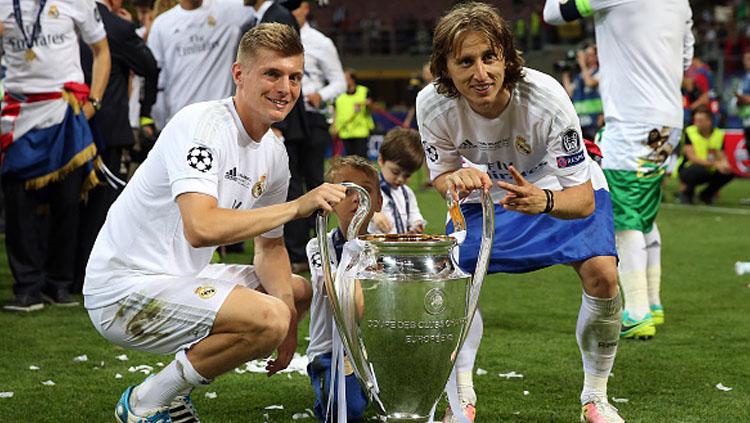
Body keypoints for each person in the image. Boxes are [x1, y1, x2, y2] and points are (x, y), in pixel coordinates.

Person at [83, 23, 347, 422]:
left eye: (294, 77)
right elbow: (201, 227)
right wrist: (296, 207)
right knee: (270, 315)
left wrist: (289, 323)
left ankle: (169, 393)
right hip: (121, 290)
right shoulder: (202, 127)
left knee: (293, 293)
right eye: (272, 74)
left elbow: (270, 246)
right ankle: (147, 402)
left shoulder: (274, 153)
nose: (286, 88)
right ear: (239, 74)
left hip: (176, 280)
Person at [416, 3, 623, 422]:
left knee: (603, 273)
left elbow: (582, 200)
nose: (481, 74)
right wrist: (453, 183)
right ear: (445, 69)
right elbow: (441, 178)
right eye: (465, 62)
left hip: (554, 189)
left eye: (490, 58)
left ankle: (595, 398)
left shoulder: (546, 99)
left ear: (507, 58)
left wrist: (542, 201)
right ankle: (461, 401)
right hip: (485, 198)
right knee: (455, 282)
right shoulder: (431, 105)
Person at [544, 0, 694, 339]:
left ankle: (637, 311)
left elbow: (553, 13)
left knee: (622, 214)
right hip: (668, 121)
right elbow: (685, 59)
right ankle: (653, 304)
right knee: (644, 215)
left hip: (631, 120)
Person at [0, 0, 111, 312]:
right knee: (18, 201)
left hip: (65, 109)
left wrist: (95, 101)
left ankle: (59, 283)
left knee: (67, 201)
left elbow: (102, 51)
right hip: (19, 111)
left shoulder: (77, 1)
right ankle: (27, 288)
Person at [74, 0, 160, 293]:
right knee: (101, 210)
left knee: (66, 206)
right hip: (106, 130)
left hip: (67, 126)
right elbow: (150, 66)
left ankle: (55, 279)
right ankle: (87, 277)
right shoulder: (117, 27)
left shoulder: (63, 18)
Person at [305, 155, 382, 423]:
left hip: (377, 349)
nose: (356, 198)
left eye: (366, 190)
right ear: (330, 202)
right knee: (346, 411)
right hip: (331, 350)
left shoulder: (387, 246)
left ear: (379, 201)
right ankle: (328, 389)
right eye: (346, 191)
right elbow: (345, 299)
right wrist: (356, 248)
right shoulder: (319, 246)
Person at [284, 0, 346, 273]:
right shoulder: (280, 37)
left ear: (305, 9)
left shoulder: (321, 42)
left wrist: (322, 94)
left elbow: (339, 81)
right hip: (286, 115)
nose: (288, 13)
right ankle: (295, 253)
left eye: (293, 8)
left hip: (312, 116)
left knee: (314, 182)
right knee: (289, 182)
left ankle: (319, 245)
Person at [146, 0, 253, 124]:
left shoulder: (230, 10)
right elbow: (156, 78)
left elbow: (265, 8)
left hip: (221, 118)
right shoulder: (162, 24)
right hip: (181, 118)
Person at [368, 127, 426, 234]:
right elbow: (352, 211)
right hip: (375, 247)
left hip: (400, 247)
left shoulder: (407, 193)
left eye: (406, 176)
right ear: (381, 160)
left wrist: (416, 224)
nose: (400, 179)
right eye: (395, 172)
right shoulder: (368, 189)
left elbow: (413, 213)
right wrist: (372, 215)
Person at [677, 107, 734, 204]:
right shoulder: (689, 132)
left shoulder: (718, 134)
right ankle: (686, 193)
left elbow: (721, 154)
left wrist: (725, 164)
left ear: (709, 121)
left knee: (728, 173)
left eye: (700, 120)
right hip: (688, 167)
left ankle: (706, 194)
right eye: (695, 120)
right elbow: (692, 157)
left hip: (709, 167)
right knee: (698, 170)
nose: (696, 123)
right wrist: (715, 164)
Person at [561, 42, 603, 141]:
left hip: (596, 120)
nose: (586, 58)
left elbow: (590, 83)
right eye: (585, 56)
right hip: (581, 122)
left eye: (589, 55)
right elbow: (569, 93)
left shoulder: (600, 71)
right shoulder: (579, 76)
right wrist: (565, 74)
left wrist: (582, 65)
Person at [333, 68, 374, 159]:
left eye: (345, 78)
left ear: (352, 79)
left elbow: (370, 106)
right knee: (349, 160)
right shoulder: (339, 94)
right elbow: (335, 111)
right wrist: (334, 126)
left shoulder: (364, 91)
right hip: (345, 131)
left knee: (362, 159)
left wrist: (365, 103)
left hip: (361, 131)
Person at [735, 51, 750, 159]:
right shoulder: (745, 78)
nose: (746, 62)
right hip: (746, 116)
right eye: (745, 59)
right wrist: (739, 100)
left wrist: (746, 99)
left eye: (749, 59)